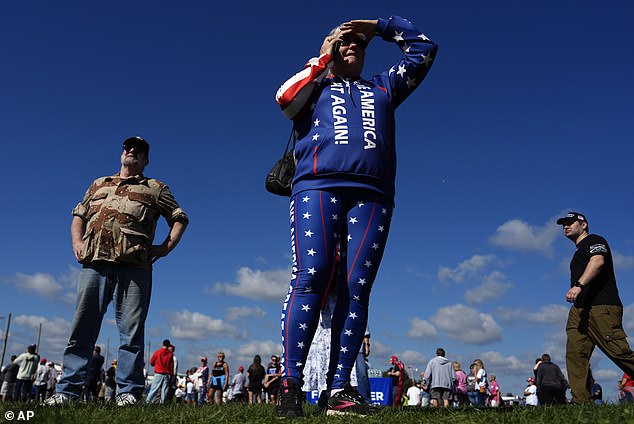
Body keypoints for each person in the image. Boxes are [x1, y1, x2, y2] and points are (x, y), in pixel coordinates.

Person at [274, 15, 437, 418]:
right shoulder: (315, 85)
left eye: (358, 44)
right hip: (317, 185)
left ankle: (340, 388)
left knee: (355, 287)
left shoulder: (383, 86)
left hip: (373, 194)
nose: (352, 47)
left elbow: (424, 50)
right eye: (344, 42)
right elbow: (284, 98)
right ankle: (291, 384)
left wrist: (380, 25)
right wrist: (323, 56)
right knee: (313, 273)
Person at [45, 136, 189, 407]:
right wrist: (77, 242)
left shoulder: (155, 188)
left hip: (134, 268)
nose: (131, 151)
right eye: (128, 147)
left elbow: (180, 218)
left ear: (146, 160)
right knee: (82, 328)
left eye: (139, 150)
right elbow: (79, 215)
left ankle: (128, 393)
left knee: (131, 332)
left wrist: (166, 248)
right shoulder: (99, 183)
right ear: (122, 153)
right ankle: (67, 391)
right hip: (94, 264)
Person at [557, 212, 634, 404]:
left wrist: (579, 285)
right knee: (575, 354)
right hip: (580, 309)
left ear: (583, 224)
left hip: (601, 306)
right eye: (563, 224)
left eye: (570, 223)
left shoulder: (595, 240)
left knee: (618, 351)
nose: (565, 226)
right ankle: (580, 402)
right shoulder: (577, 251)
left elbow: (598, 261)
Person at [146, 339, 174, 404]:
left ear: (162, 344)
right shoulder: (170, 354)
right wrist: (171, 374)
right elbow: (171, 365)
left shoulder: (157, 352)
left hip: (158, 373)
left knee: (154, 389)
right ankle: (162, 403)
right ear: (168, 345)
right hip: (166, 374)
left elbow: (151, 362)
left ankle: (148, 402)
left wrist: (156, 364)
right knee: (164, 390)